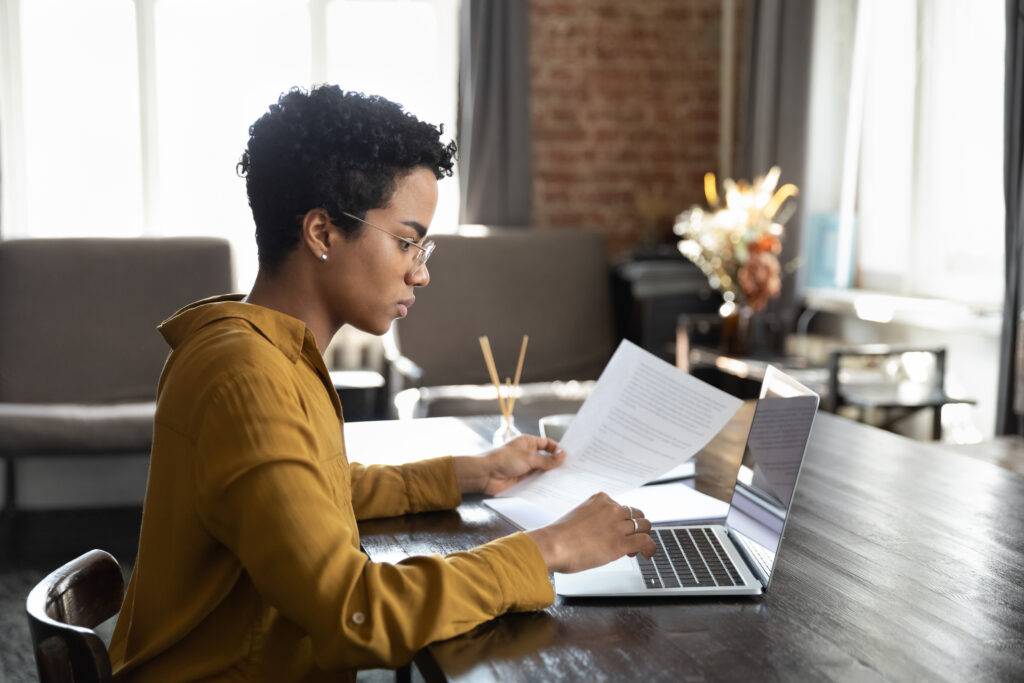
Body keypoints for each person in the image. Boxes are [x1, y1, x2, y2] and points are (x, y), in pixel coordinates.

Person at [109, 85, 655, 682]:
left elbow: (320, 490)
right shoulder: (246, 376)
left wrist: (472, 473)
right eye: (406, 241)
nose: (420, 273)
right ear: (321, 233)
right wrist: (549, 548)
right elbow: (354, 613)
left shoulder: (266, 353)